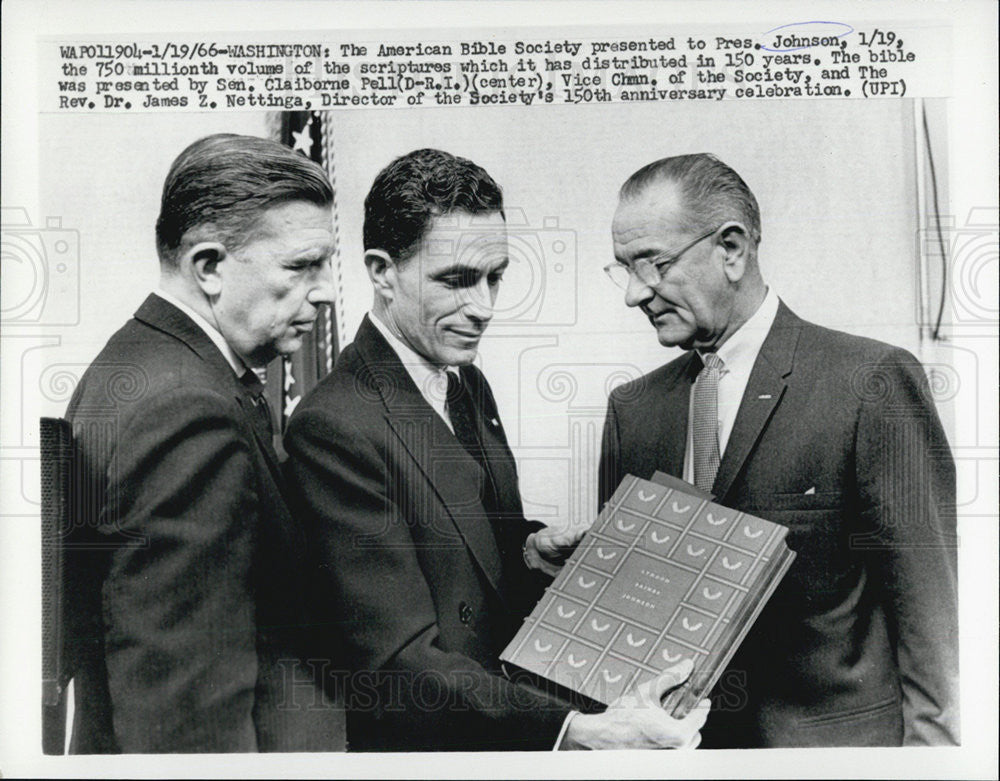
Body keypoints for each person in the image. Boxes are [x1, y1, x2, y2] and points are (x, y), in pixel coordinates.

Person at [283, 148, 709, 751]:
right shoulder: (333, 424)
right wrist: (574, 731)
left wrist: (530, 548)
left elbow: (473, 545)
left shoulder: (464, 381)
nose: (482, 307)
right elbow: (396, 664)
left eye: (495, 277)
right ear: (381, 271)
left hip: (497, 733)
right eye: (455, 280)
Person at [598, 153, 959, 747]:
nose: (635, 294)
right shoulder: (632, 411)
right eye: (624, 270)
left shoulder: (870, 383)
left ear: (732, 249)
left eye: (654, 265)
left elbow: (934, 621)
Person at [63, 134, 345, 752]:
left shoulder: (137, 362)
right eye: (301, 266)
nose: (325, 291)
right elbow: (186, 721)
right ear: (209, 266)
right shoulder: (188, 412)